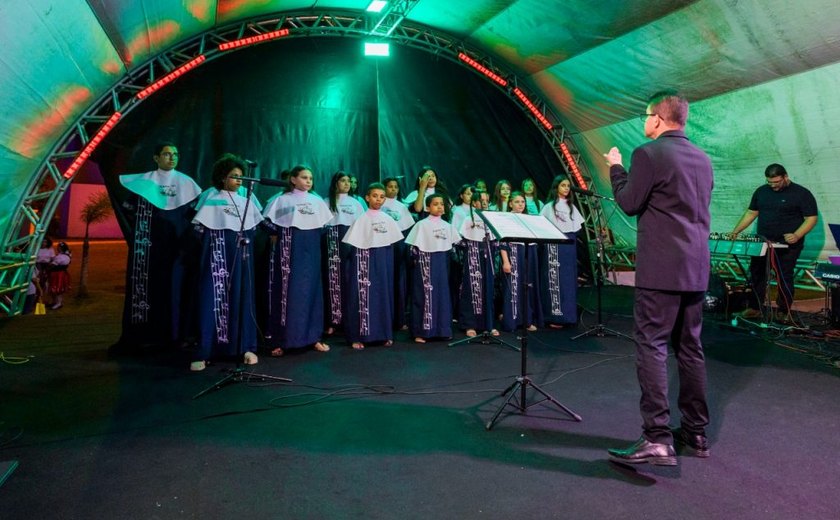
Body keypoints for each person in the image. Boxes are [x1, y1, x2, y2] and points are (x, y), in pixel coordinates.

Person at [604, 90, 714, 466]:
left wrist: (616, 169)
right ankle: (696, 432)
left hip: (662, 270)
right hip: (696, 268)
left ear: (657, 118)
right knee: (690, 348)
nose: (643, 122)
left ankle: (657, 438)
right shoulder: (702, 158)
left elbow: (630, 203)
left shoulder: (647, 154)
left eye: (645, 115)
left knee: (651, 346)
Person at [114, 142, 201, 352]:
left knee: (177, 287)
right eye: (167, 154)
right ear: (156, 158)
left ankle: (177, 335)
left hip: (178, 248)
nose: (172, 158)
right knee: (149, 288)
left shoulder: (187, 183)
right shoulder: (143, 183)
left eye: (175, 154)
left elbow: (194, 215)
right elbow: (129, 209)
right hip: (149, 249)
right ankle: (145, 336)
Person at [189, 154, 262, 371]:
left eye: (241, 177)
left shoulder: (246, 202)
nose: (240, 180)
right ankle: (204, 351)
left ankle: (245, 347)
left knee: (242, 298)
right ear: (222, 178)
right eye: (235, 176)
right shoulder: (212, 200)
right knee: (212, 299)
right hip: (216, 258)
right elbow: (199, 232)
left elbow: (254, 229)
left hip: (241, 259)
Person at [731, 164, 818, 322]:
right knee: (757, 274)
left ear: (785, 176)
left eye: (776, 182)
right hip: (763, 242)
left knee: (784, 276)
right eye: (770, 182)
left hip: (788, 245)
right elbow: (751, 212)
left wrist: (797, 235)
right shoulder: (761, 191)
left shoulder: (801, 193)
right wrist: (735, 231)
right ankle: (755, 308)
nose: (773, 185)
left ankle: (784, 311)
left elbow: (811, 218)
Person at [262, 165, 332, 356]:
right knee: (287, 291)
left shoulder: (317, 201)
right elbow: (267, 222)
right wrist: (281, 233)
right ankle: (282, 339)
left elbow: (324, 225)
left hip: (312, 250)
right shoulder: (282, 200)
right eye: (304, 177)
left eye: (310, 178)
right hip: (290, 248)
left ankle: (313, 337)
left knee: (312, 291)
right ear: (293, 179)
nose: (308, 181)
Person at [342, 183, 404, 349]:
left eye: (382, 196)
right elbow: (352, 244)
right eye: (375, 196)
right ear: (367, 198)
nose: (378, 199)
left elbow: (393, 241)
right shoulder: (361, 219)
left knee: (383, 293)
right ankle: (358, 335)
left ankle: (384, 333)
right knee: (362, 295)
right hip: (364, 258)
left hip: (384, 257)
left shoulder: (388, 219)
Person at [405, 193, 461, 343]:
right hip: (425, 261)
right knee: (424, 295)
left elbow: (455, 244)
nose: (440, 207)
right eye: (436, 204)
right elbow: (413, 248)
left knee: (442, 294)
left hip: (442, 262)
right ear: (428, 207)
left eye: (442, 204)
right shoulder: (421, 225)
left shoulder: (448, 226)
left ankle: (442, 330)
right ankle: (421, 331)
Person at [539, 174, 584, 328]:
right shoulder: (549, 206)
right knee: (555, 279)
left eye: (567, 185)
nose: (566, 188)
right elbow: (543, 226)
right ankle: (555, 316)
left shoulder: (571, 207)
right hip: (554, 244)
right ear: (556, 187)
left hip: (569, 246)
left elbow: (577, 228)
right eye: (563, 185)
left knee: (568, 279)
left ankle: (569, 316)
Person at [324, 171, 365, 334]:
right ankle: (333, 320)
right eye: (343, 181)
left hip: (352, 240)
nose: (347, 184)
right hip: (333, 240)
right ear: (336, 183)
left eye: (349, 181)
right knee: (334, 279)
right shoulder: (327, 202)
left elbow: (362, 225)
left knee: (351, 278)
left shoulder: (356, 202)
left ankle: (351, 318)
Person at [498, 192, 542, 332]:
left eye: (522, 202)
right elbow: (502, 242)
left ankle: (527, 320)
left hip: (527, 254)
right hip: (513, 254)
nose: (520, 204)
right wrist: (506, 261)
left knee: (526, 287)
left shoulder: (527, 219)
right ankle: (512, 320)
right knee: (513, 288)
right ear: (510, 203)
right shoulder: (506, 218)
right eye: (517, 202)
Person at [457, 191, 499, 337]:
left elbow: (496, 239)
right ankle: (470, 324)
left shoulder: (490, 219)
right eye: (482, 200)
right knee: (472, 289)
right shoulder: (469, 219)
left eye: (487, 199)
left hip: (488, 255)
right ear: (474, 203)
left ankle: (489, 324)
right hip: (473, 255)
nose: (485, 202)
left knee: (488, 288)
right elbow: (461, 239)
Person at [382, 177, 415, 330]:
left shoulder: (402, 207)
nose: (393, 189)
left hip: (399, 246)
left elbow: (407, 228)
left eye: (396, 186)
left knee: (399, 282)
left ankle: (400, 319)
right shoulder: (379, 206)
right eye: (390, 186)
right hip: (383, 244)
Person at [48, 242, 72, 310]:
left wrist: (48, 265)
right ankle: (55, 302)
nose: (57, 248)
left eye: (59, 247)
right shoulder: (65, 255)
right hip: (59, 273)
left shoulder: (61, 257)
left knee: (58, 289)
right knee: (54, 288)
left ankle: (58, 303)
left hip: (58, 274)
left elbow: (53, 265)